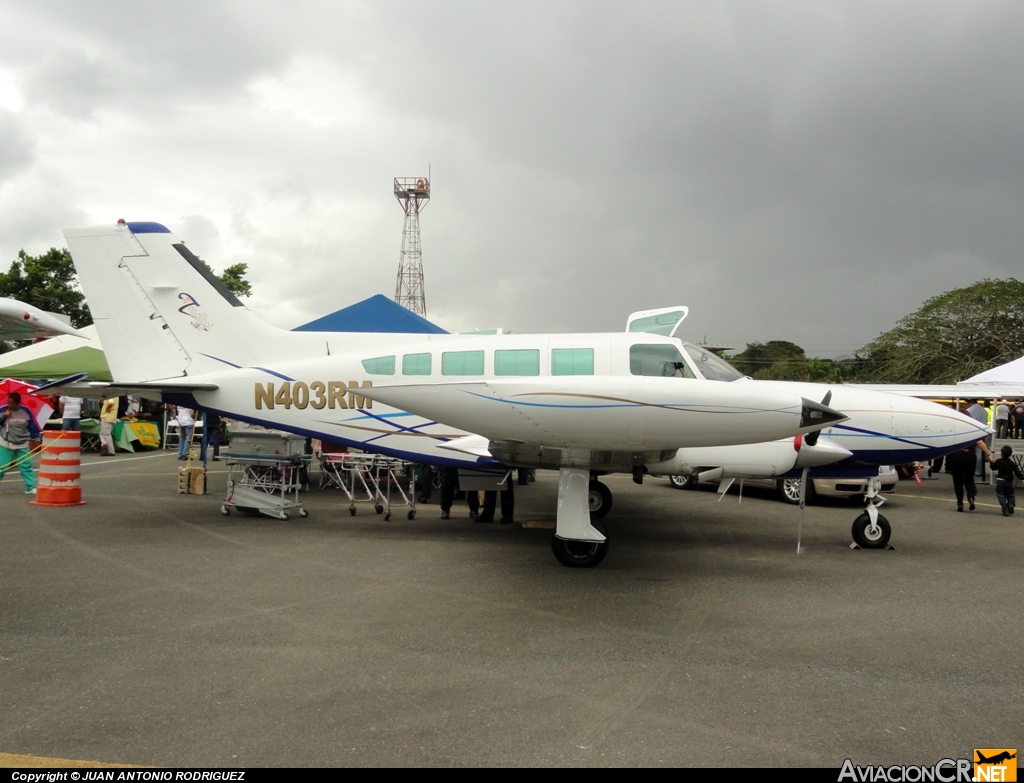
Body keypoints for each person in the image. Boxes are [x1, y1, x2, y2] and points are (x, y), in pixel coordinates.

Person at [0, 392, 41, 494]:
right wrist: (3, 416)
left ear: (18, 403)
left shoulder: (26, 411)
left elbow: (32, 426)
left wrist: (36, 438)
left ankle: (30, 487)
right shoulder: (3, 410)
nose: (9, 405)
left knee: (26, 466)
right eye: (8, 402)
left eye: (11, 403)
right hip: (6, 443)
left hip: (22, 443)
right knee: (2, 466)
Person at [946, 440, 992, 512]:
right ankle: (971, 496)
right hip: (969, 456)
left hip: (956, 456)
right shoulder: (970, 429)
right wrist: (988, 454)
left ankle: (960, 503)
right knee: (969, 479)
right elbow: (979, 442)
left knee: (957, 481)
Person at [990, 445, 1024, 516]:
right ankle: (1011, 504)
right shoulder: (1012, 463)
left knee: (1001, 495)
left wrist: (991, 461)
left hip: (1000, 480)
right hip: (1009, 481)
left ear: (1001, 453)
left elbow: (993, 468)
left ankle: (1005, 509)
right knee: (1010, 494)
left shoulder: (999, 461)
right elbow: (1018, 473)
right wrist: (1022, 477)